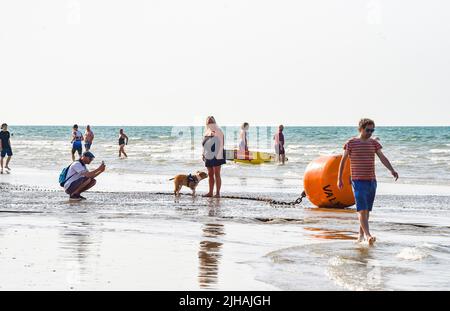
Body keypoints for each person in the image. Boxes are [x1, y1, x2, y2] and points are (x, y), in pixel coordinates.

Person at [337, 118, 399, 245]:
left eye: (372, 130)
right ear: (360, 129)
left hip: (371, 181)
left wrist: (392, 170)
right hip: (357, 181)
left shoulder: (373, 143)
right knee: (361, 209)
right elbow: (342, 161)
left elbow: (383, 158)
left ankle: (361, 236)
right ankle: (368, 235)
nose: (370, 132)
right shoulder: (351, 143)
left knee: (366, 211)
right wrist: (339, 179)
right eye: (368, 130)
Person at [202, 116, 225, 198]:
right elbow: (204, 144)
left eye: (212, 122)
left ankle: (218, 193)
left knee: (217, 174)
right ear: (206, 123)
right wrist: (203, 153)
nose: (210, 123)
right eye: (209, 122)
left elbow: (222, 144)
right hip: (208, 154)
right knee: (210, 174)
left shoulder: (218, 131)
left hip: (217, 154)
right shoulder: (206, 132)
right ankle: (210, 192)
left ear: (214, 122)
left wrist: (219, 155)